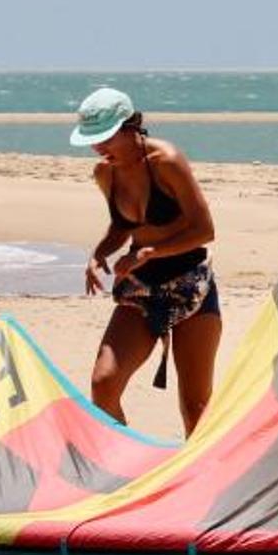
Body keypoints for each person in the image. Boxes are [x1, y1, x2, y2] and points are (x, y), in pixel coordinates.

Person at [72, 86, 223, 437]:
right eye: (93, 140)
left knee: (196, 407)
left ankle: (199, 469)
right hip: (140, 285)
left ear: (130, 126)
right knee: (103, 383)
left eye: (105, 138)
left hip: (191, 284)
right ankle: (122, 462)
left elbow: (204, 230)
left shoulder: (166, 161)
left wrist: (150, 252)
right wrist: (99, 253)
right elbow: (122, 226)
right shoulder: (105, 172)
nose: (98, 148)